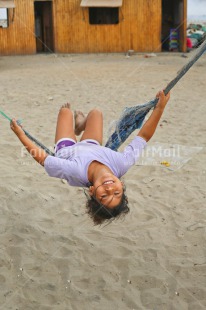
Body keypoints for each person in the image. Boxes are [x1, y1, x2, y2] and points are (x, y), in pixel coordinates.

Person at [10, 90, 170, 225]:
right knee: (96, 113)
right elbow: (144, 136)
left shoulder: (76, 171)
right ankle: (80, 125)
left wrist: (20, 134)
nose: (110, 189)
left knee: (65, 112)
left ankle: (75, 124)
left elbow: (43, 159)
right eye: (116, 193)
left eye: (104, 195)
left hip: (67, 150)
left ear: (92, 191)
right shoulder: (122, 163)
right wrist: (160, 108)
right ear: (121, 185)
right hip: (92, 145)